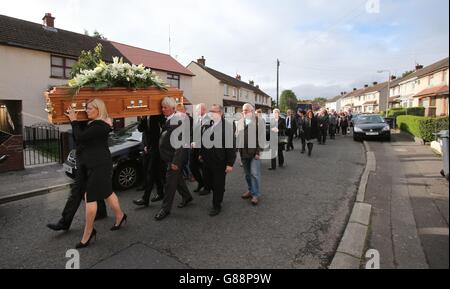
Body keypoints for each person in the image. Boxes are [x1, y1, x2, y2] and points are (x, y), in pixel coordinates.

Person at [65, 99, 127, 249]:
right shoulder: (97, 123)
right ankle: (120, 216)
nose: (87, 110)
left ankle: (88, 233)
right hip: (95, 164)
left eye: (90, 108)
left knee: (89, 197)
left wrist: (73, 120)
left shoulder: (100, 125)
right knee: (108, 193)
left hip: (99, 166)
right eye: (86, 108)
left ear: (98, 109)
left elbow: (79, 137)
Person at [46, 120, 108, 232]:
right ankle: (100, 212)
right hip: (83, 159)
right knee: (82, 189)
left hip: (91, 160)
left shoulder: (94, 123)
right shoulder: (84, 122)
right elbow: (77, 139)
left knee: (80, 190)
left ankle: (65, 222)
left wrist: (74, 122)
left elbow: (81, 137)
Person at [154, 97, 193, 221]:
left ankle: (165, 209)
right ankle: (187, 196)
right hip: (169, 156)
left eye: (165, 107)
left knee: (169, 184)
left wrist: (176, 162)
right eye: (162, 107)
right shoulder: (169, 119)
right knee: (178, 179)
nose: (163, 109)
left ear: (172, 108)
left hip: (174, 158)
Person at [200, 104, 236, 216]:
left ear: (220, 113)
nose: (211, 113)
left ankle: (216, 205)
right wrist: (201, 154)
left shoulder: (228, 127)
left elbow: (231, 146)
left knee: (218, 184)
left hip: (220, 161)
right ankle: (218, 192)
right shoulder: (207, 124)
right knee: (209, 182)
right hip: (207, 160)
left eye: (214, 111)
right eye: (210, 111)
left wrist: (230, 163)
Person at [133, 114, 165, 207]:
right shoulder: (145, 117)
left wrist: (150, 146)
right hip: (148, 148)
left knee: (150, 173)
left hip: (156, 149)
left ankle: (145, 198)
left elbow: (157, 134)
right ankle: (160, 193)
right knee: (155, 172)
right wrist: (142, 118)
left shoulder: (157, 116)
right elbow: (140, 129)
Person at [236, 103, 263, 205]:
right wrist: (238, 152)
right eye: (243, 110)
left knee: (254, 174)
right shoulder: (240, 122)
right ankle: (250, 190)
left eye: (246, 110)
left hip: (254, 153)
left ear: (252, 111)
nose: (244, 112)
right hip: (243, 153)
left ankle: (255, 194)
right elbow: (237, 137)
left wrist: (258, 152)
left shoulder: (258, 122)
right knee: (247, 174)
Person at [190, 103, 211, 195]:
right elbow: (192, 132)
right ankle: (201, 183)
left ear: (203, 110)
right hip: (194, 148)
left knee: (204, 169)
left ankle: (207, 188)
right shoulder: (197, 119)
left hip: (203, 149)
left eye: (198, 109)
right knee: (192, 166)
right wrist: (191, 141)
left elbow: (207, 137)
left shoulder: (209, 121)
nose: (196, 111)